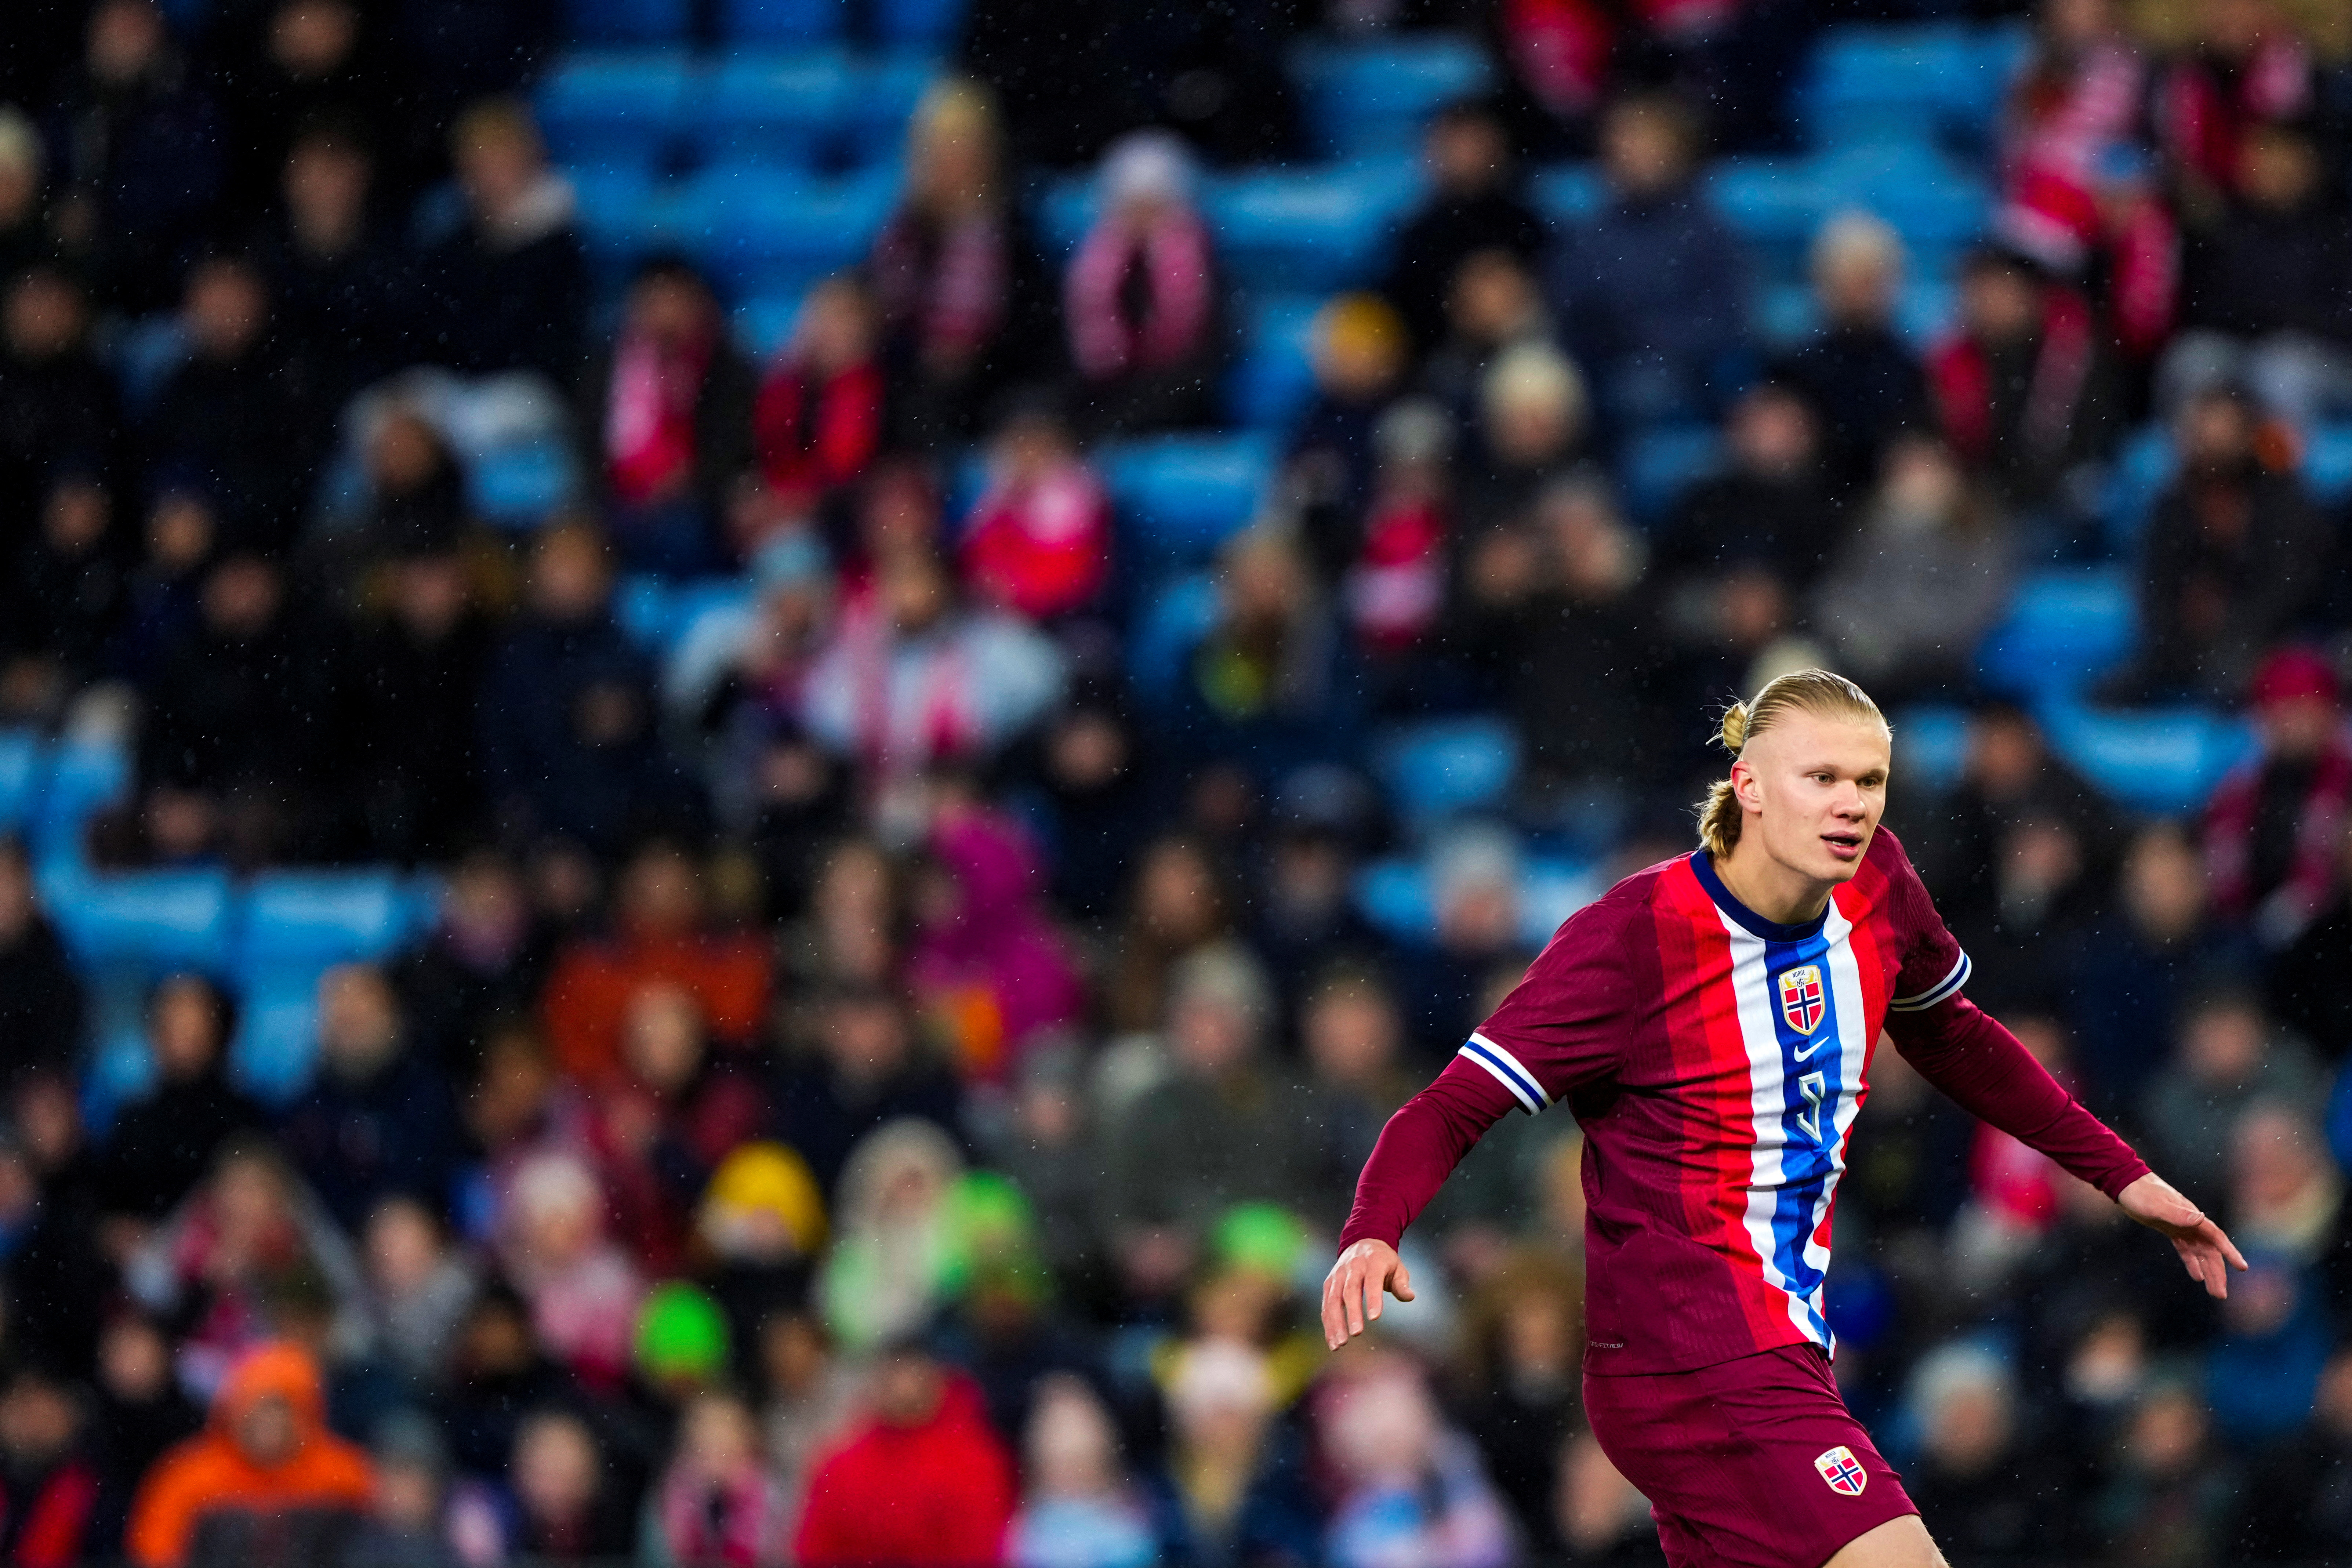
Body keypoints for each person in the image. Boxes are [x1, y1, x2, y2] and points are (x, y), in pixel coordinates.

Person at [1322, 668, 2244, 1568]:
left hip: (1775, 1346)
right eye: (1822, 778)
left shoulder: (1878, 882)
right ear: (1748, 785)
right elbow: (1449, 1107)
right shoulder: (1631, 938)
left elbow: (1953, 1037)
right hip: (1693, 1360)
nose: (1851, 804)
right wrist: (1373, 1230)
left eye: (1869, 781)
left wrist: (2120, 1173)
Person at [123, 1341, 376, 1568]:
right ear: (234, 1413)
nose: (268, 1424)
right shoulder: (188, 1476)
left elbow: (380, 1541)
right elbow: (154, 1552)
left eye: (280, 1411)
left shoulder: (343, 1473)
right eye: (257, 1410)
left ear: (305, 1416)